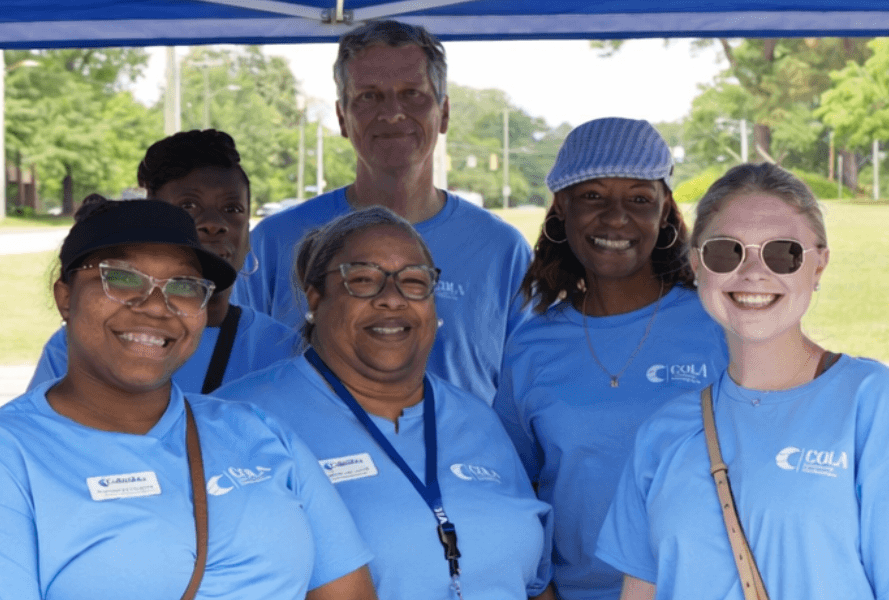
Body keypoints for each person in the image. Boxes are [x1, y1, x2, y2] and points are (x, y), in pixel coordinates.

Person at [0, 200, 377, 599]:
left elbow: (347, 591)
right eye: (121, 278)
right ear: (64, 296)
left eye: (183, 286)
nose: (156, 305)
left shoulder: (259, 433)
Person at [596, 164, 889, 600]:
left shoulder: (873, 402)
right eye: (727, 252)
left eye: (783, 252)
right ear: (697, 264)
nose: (753, 272)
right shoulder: (663, 433)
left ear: (818, 265)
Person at [219, 206, 552, 600]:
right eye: (362, 280)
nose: (392, 300)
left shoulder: (478, 420)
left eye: (413, 282)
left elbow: (535, 585)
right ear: (315, 296)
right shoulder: (239, 421)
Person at [492, 117, 727, 600]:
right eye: (593, 196)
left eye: (639, 198)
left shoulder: (719, 324)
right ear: (561, 209)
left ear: (665, 212)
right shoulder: (531, 346)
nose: (616, 217)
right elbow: (513, 491)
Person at [241, 19, 531, 402]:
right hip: (307, 458)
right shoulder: (274, 241)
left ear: (443, 113)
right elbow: (242, 377)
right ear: (343, 117)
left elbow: (525, 393)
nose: (392, 112)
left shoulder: (502, 249)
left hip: (456, 460)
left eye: (412, 94)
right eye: (369, 97)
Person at [28, 130, 298, 393]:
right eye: (188, 206)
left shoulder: (284, 351)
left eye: (233, 210)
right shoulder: (83, 342)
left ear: (248, 235)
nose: (214, 224)